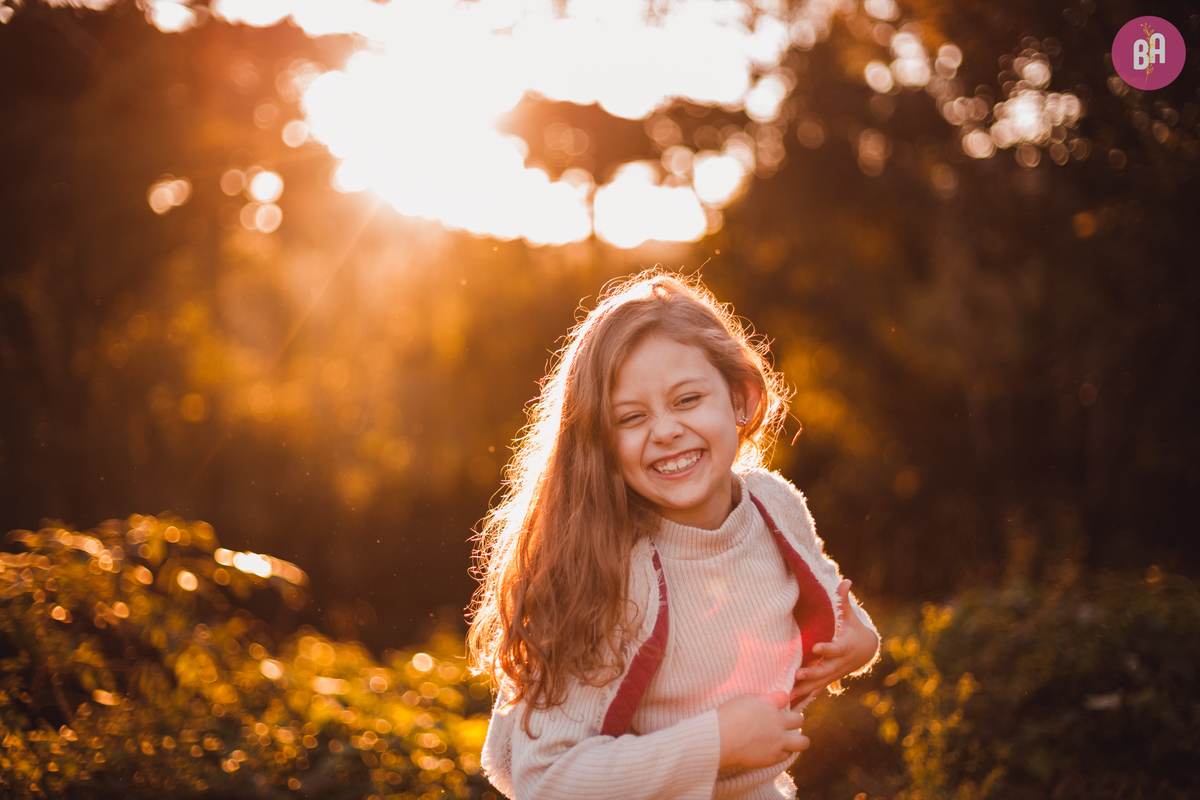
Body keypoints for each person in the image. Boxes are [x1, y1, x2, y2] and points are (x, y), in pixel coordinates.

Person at [467, 271, 880, 800]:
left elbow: (835, 607)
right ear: (598, 443)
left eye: (687, 400)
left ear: (741, 398)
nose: (664, 430)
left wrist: (860, 643)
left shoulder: (773, 504)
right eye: (631, 417)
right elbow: (546, 777)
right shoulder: (614, 570)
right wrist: (717, 742)